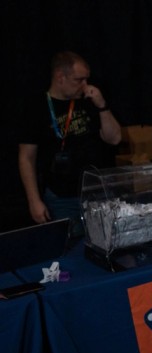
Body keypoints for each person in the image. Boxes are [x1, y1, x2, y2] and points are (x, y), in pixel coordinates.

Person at [17, 51, 121, 236]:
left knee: (107, 241)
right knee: (71, 246)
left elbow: (114, 138)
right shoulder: (36, 107)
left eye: (86, 79)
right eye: (78, 80)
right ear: (60, 77)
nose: (85, 85)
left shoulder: (88, 100)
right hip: (62, 196)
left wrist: (102, 105)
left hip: (97, 192)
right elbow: (26, 157)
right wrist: (34, 200)